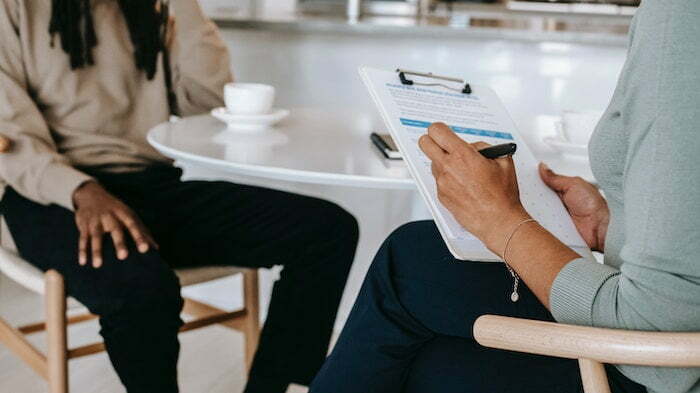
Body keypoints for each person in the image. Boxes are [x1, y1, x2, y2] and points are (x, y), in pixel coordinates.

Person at [310, 1, 700, 392]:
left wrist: (503, 223)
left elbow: (658, 339)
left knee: (413, 260)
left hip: (655, 367)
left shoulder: (681, 17)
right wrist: (613, 226)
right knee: (420, 328)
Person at [0, 1, 358, 392]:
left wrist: (184, 8)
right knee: (143, 292)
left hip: (149, 183)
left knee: (326, 229)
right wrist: (79, 190)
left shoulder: (152, 7)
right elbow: (9, 133)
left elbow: (206, 101)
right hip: (46, 193)